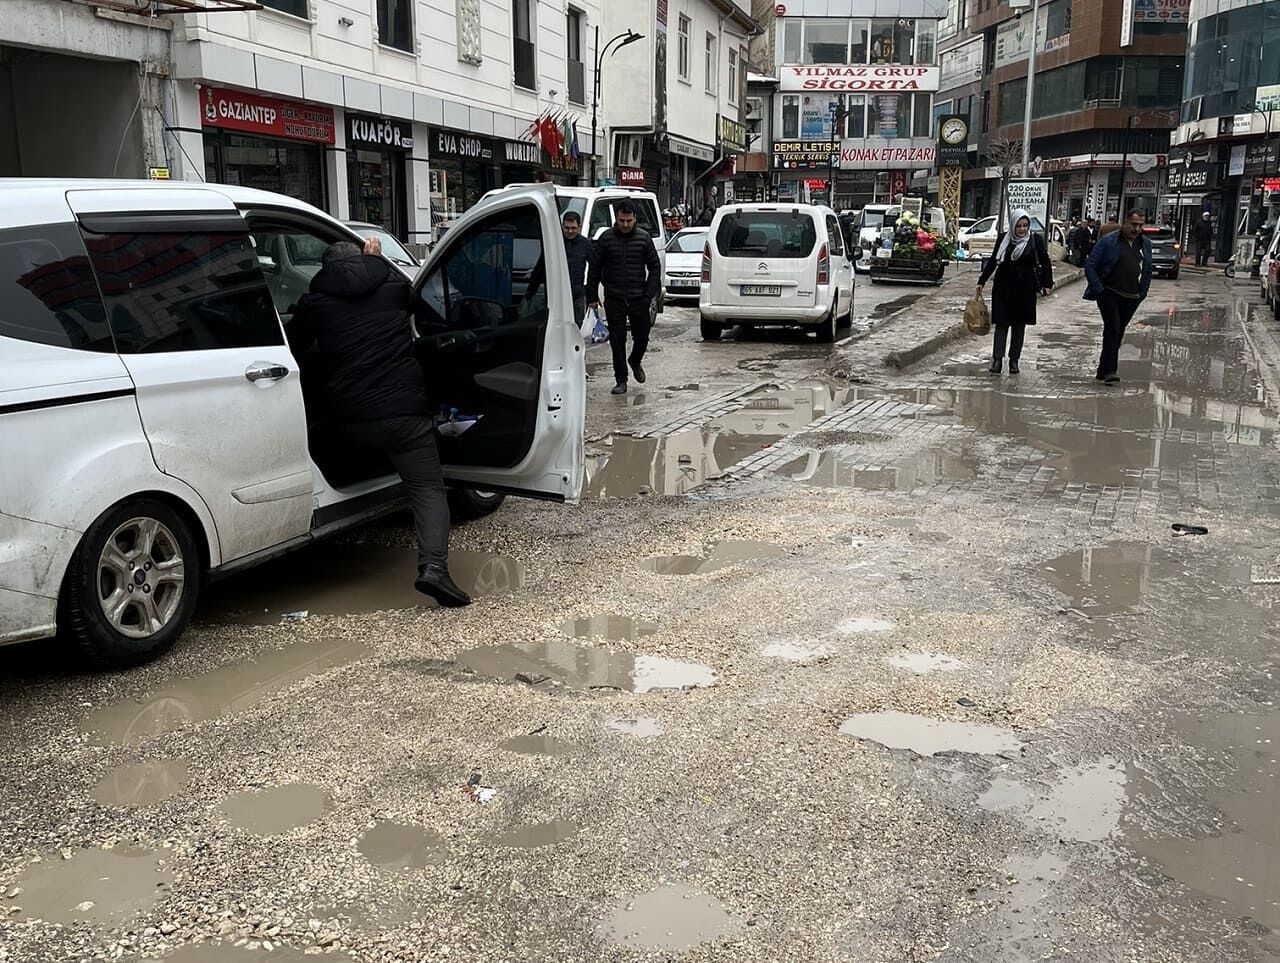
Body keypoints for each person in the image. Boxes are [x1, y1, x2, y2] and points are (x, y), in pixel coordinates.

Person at [288, 239, 470, 608]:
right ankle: (434, 568)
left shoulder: (314, 303)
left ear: (324, 269)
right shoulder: (392, 288)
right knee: (427, 488)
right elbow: (419, 304)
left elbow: (293, 346)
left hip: (348, 421)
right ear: (364, 258)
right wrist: (376, 262)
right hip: (404, 417)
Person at [586, 200, 661, 395]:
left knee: (642, 337)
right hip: (614, 298)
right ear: (616, 219)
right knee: (617, 341)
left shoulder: (644, 239)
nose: (625, 225)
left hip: (639, 298)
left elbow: (655, 267)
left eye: (629, 221)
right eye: (621, 221)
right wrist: (592, 295)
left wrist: (649, 294)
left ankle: (635, 360)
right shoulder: (606, 239)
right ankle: (621, 379)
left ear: (635, 218)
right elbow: (594, 268)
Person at [975, 209, 1054, 375]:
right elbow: (993, 260)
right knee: (1001, 324)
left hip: (1024, 290)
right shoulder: (1004, 239)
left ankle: (1014, 360)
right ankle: (997, 359)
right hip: (1003, 288)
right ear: (1012, 226)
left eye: (1025, 225)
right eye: (1019, 226)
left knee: (1019, 326)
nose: (1022, 229)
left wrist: (1047, 284)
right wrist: (982, 281)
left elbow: (1045, 262)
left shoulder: (1034, 240)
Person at [1084, 208, 1153, 386]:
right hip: (1109, 293)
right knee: (1113, 329)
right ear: (1125, 222)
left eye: (1140, 225)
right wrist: (1099, 290)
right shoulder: (1108, 241)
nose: (1136, 229)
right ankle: (1110, 372)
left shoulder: (1145, 244)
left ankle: (1102, 370)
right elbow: (1090, 266)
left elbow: (1148, 269)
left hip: (1132, 296)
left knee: (1117, 331)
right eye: (1133, 224)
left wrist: (1143, 292)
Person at [561, 210, 592, 326]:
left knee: (578, 325)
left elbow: (595, 267)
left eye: (573, 228)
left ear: (579, 227)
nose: (570, 231)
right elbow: (541, 266)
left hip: (577, 292)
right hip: (557, 292)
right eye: (567, 228)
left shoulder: (585, 244)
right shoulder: (556, 242)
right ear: (562, 226)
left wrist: (592, 293)